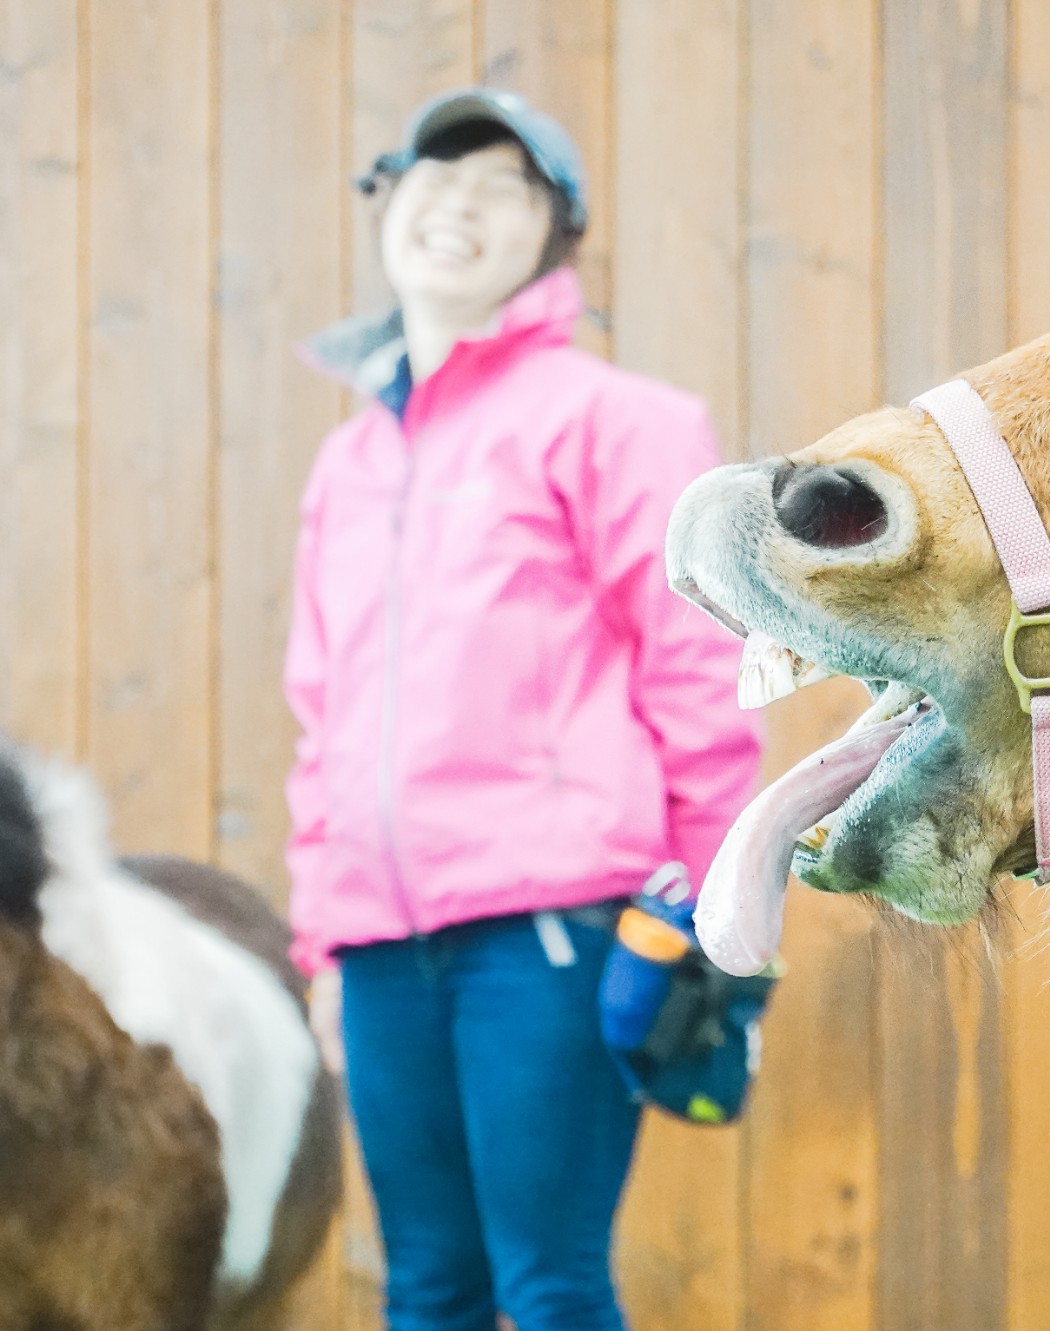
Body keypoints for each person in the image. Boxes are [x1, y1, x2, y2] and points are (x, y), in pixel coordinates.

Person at [284, 88, 760, 1331]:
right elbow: (320, 714)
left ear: (558, 237)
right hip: (381, 945)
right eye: (435, 174)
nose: (458, 202)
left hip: (553, 931)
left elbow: (695, 667)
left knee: (547, 1284)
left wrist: (711, 908)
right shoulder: (350, 461)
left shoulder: (619, 420)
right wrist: (321, 945)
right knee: (428, 1286)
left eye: (504, 184)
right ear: (388, 205)